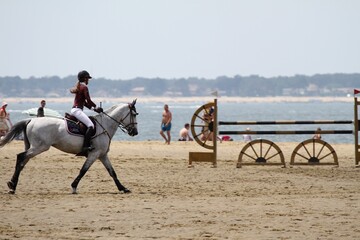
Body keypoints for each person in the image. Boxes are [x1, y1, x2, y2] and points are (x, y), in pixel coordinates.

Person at [70, 70, 103, 156]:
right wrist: (96, 107)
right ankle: (85, 146)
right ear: (85, 78)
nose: (88, 80)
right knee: (91, 125)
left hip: (75, 110)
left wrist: (94, 109)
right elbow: (88, 100)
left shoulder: (79, 87)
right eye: (88, 78)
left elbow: (84, 103)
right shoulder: (84, 87)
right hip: (77, 110)